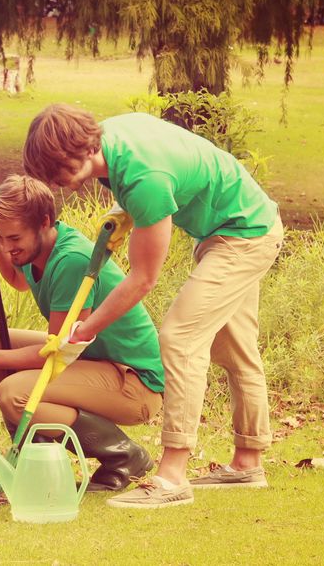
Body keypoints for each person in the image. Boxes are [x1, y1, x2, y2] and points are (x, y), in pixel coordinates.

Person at [23, 105, 284, 508]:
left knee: (179, 338)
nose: (61, 185)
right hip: (229, 228)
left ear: (80, 151)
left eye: (60, 173)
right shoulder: (112, 137)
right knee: (234, 349)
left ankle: (172, 476)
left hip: (244, 235)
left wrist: (89, 327)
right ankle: (248, 461)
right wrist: (122, 211)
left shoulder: (144, 178)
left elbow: (143, 279)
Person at [0, 175, 164, 491]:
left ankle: (125, 456)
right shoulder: (37, 247)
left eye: (15, 238)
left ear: (43, 222)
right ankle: (32, 460)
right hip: (93, 359)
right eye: (5, 237)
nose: (10, 247)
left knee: (14, 392)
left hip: (134, 383)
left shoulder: (70, 260)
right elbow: (18, 279)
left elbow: (56, 352)